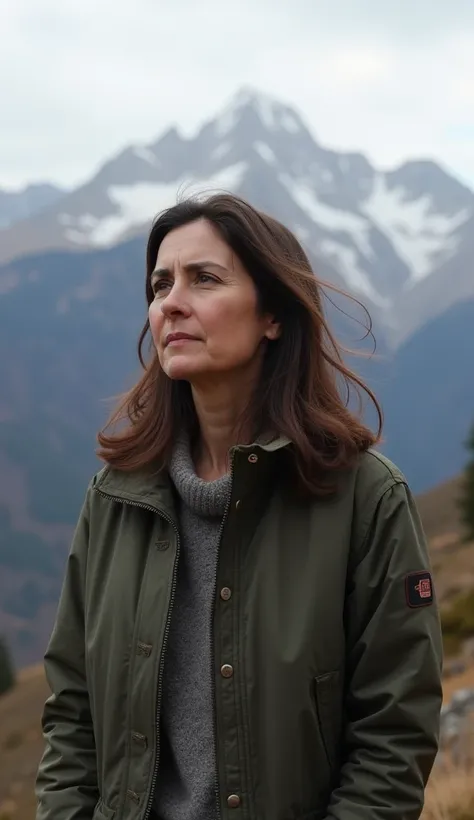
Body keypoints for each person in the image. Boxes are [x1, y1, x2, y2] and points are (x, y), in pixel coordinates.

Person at [35, 192, 443, 820]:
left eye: (205, 279)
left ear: (272, 316)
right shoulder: (114, 499)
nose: (170, 302)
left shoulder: (365, 498)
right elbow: (71, 716)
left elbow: (393, 737)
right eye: (160, 283)